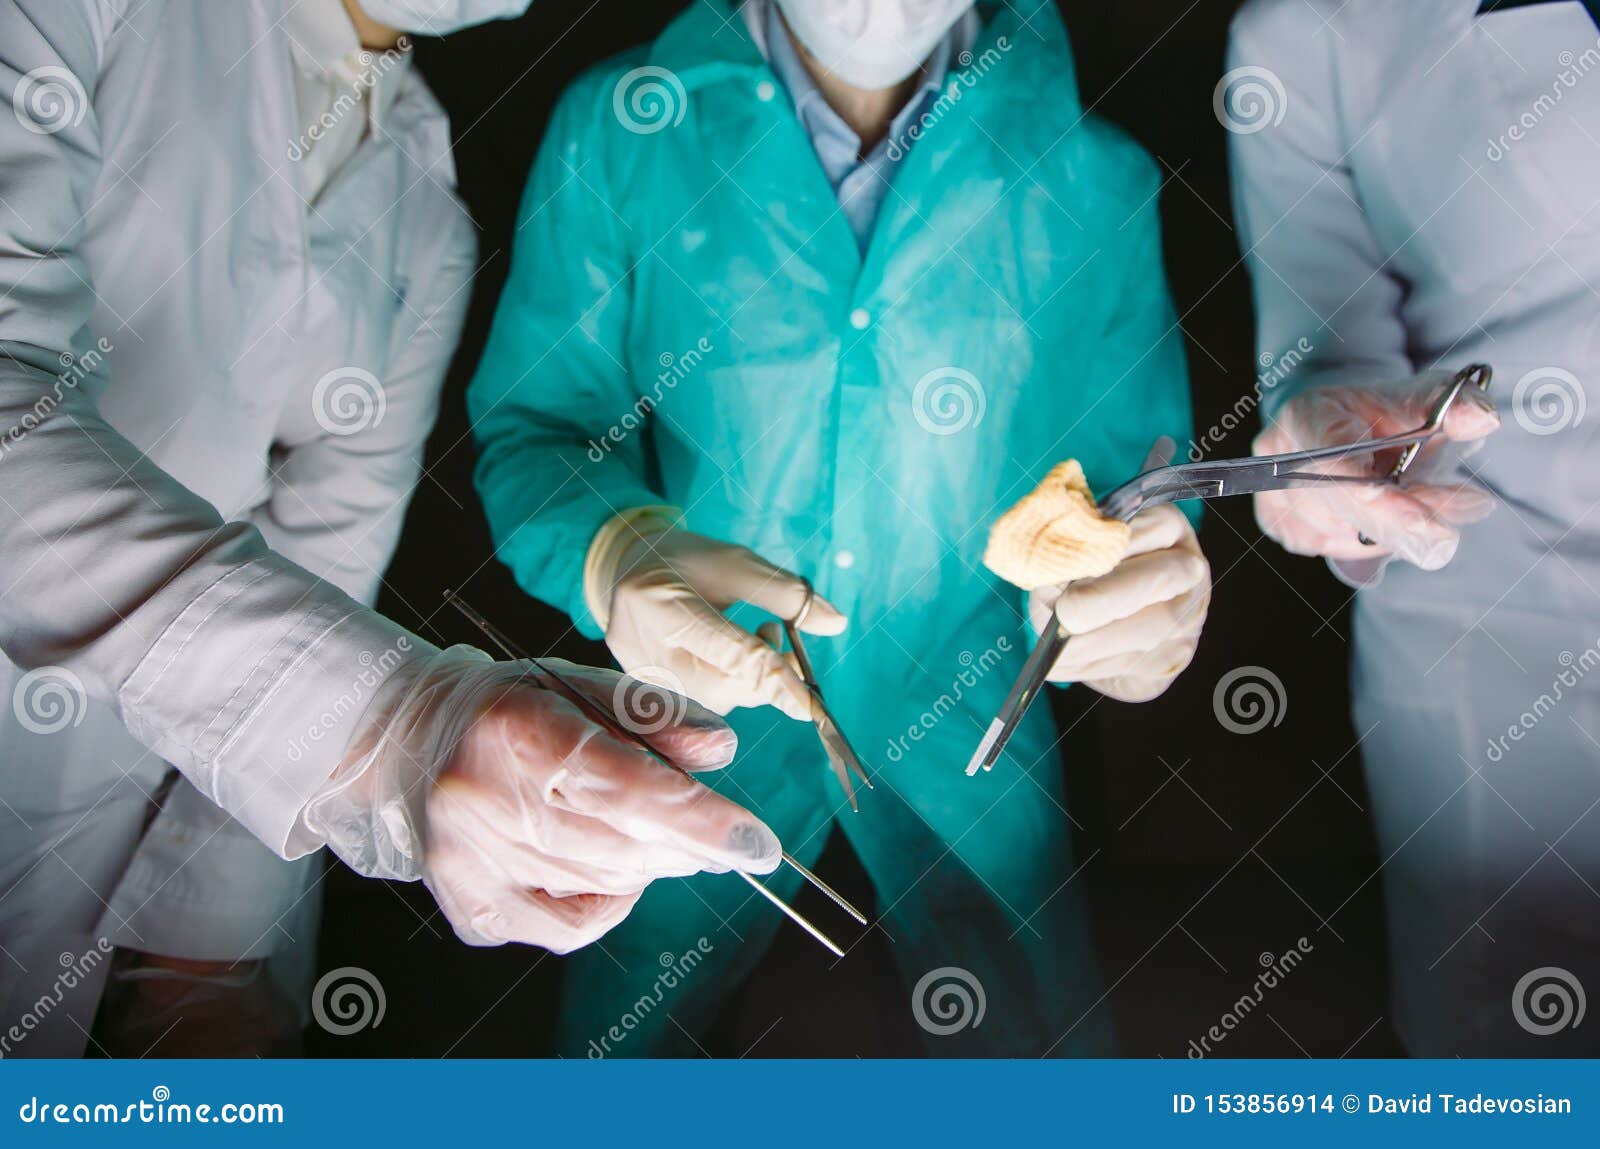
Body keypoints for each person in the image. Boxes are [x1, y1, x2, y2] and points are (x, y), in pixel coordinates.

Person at [0, 0, 779, 1059]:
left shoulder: (424, 219)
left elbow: (323, 568)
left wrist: (206, 966)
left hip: (101, 842)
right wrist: (391, 728)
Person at [470, 0, 1210, 1055]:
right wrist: (609, 549)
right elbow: (541, 424)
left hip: (971, 731)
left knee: (1037, 1063)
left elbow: (1137, 493)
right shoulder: (622, 127)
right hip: (694, 711)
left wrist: (1138, 620)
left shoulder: (1094, 184)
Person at [1229, 0, 1600, 1054]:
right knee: (1517, 1055)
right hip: (1490, 621)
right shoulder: (1303, 39)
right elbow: (1329, 355)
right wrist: (1323, 447)